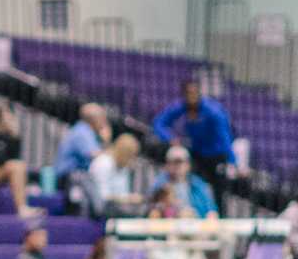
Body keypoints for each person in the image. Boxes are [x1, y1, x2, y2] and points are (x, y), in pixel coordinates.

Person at [153, 77, 237, 206]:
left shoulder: (213, 112)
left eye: (194, 93)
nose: (191, 97)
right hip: (197, 153)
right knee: (194, 184)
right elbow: (159, 123)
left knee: (219, 191)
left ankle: (218, 218)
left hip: (217, 155)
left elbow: (224, 136)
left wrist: (232, 161)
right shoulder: (181, 107)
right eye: (188, 94)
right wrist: (170, 138)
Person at [54, 102, 112, 198]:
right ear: (94, 119)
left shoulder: (84, 130)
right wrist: (107, 142)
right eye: (103, 119)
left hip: (73, 178)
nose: (105, 123)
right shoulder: (83, 131)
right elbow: (95, 155)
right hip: (68, 179)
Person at [146, 143, 219, 218]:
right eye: (173, 162)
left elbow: (211, 209)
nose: (176, 166)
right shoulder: (159, 184)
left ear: (188, 165)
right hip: (168, 222)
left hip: (194, 222)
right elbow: (152, 206)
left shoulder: (198, 185)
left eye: (180, 162)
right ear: (167, 164)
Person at [88, 132, 144, 214]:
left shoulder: (123, 167)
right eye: (130, 156)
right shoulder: (103, 163)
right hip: (98, 212)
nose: (132, 161)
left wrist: (129, 198)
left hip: (117, 210)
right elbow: (103, 197)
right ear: (123, 153)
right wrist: (129, 199)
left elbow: (123, 193)